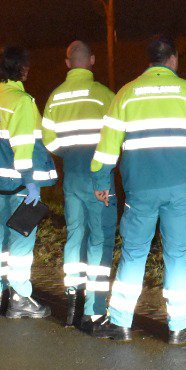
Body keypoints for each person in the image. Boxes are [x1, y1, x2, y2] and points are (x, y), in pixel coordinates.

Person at [90, 35, 186, 344]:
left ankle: (118, 323)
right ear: (174, 60)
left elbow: (107, 145)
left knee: (134, 252)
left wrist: (101, 181)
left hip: (139, 189)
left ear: (149, 61)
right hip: (182, 190)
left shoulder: (126, 95)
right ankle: (179, 326)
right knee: (177, 256)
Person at [40, 39, 118, 329]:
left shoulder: (56, 98)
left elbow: (49, 141)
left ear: (67, 63)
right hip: (100, 177)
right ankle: (95, 311)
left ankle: (72, 299)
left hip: (71, 174)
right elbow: (118, 135)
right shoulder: (105, 96)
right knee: (100, 239)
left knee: (75, 235)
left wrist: (69, 152)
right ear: (93, 60)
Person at [0, 45, 58, 318]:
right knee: (21, 241)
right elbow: (23, 147)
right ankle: (20, 297)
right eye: (25, 64)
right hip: (19, 183)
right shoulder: (22, 101)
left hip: (1, 181)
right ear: (20, 68)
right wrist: (31, 183)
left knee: (1, 233)